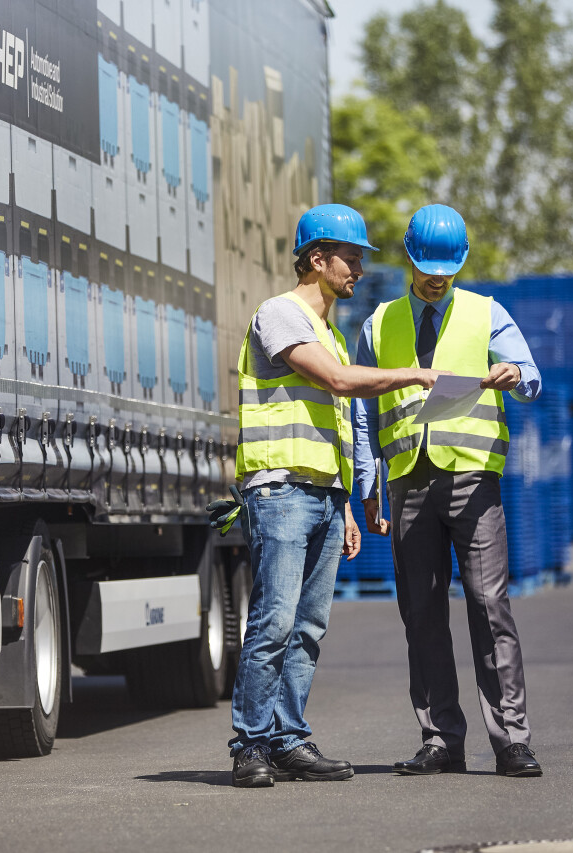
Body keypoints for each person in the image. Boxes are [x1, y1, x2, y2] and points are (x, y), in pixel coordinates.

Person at [229, 203, 442, 788]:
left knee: (308, 627)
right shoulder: (280, 315)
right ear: (317, 260)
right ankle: (250, 744)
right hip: (279, 493)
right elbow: (340, 384)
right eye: (350, 257)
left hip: (321, 495)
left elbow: (338, 426)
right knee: (273, 620)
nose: (357, 268)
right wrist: (413, 374)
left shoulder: (329, 331)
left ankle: (288, 739)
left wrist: (346, 502)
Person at [351, 204, 544, 778]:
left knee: (489, 607)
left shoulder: (488, 314)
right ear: (408, 258)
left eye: (447, 268)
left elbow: (531, 377)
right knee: (422, 612)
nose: (437, 278)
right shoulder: (378, 323)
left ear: (460, 264)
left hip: (472, 480)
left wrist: (516, 376)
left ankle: (511, 741)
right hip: (408, 481)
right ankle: (441, 739)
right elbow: (363, 410)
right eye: (427, 266)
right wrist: (368, 482)